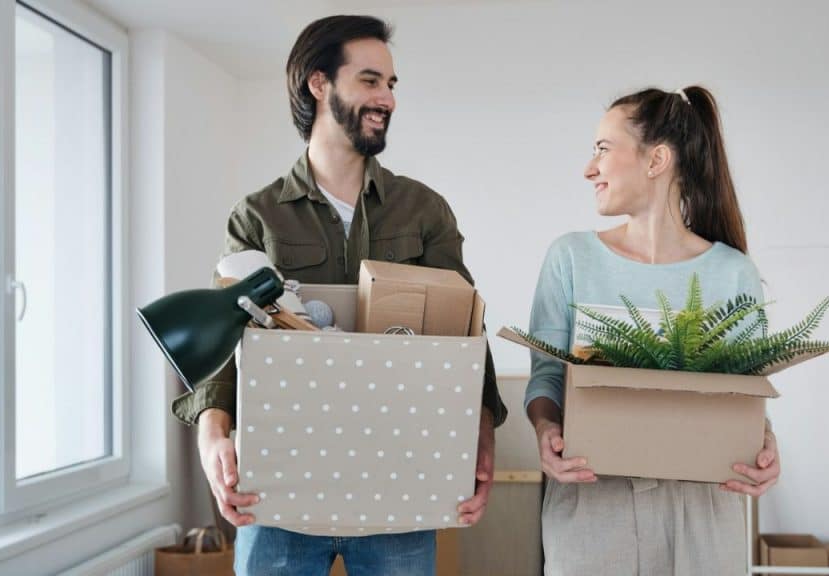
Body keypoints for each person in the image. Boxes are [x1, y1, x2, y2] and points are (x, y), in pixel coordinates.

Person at [170, 15, 507, 575]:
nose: (388, 99)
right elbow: (226, 340)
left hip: (400, 493)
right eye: (371, 81)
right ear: (319, 83)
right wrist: (212, 439)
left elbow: (464, 330)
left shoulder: (423, 211)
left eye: (392, 85)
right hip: (278, 496)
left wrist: (482, 438)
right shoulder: (258, 217)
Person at [525, 86, 780, 575]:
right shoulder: (571, 257)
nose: (588, 168)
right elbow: (545, 379)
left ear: (656, 159)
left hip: (705, 510)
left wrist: (766, 445)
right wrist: (545, 430)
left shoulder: (732, 272)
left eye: (603, 148)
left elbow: (747, 397)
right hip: (594, 503)